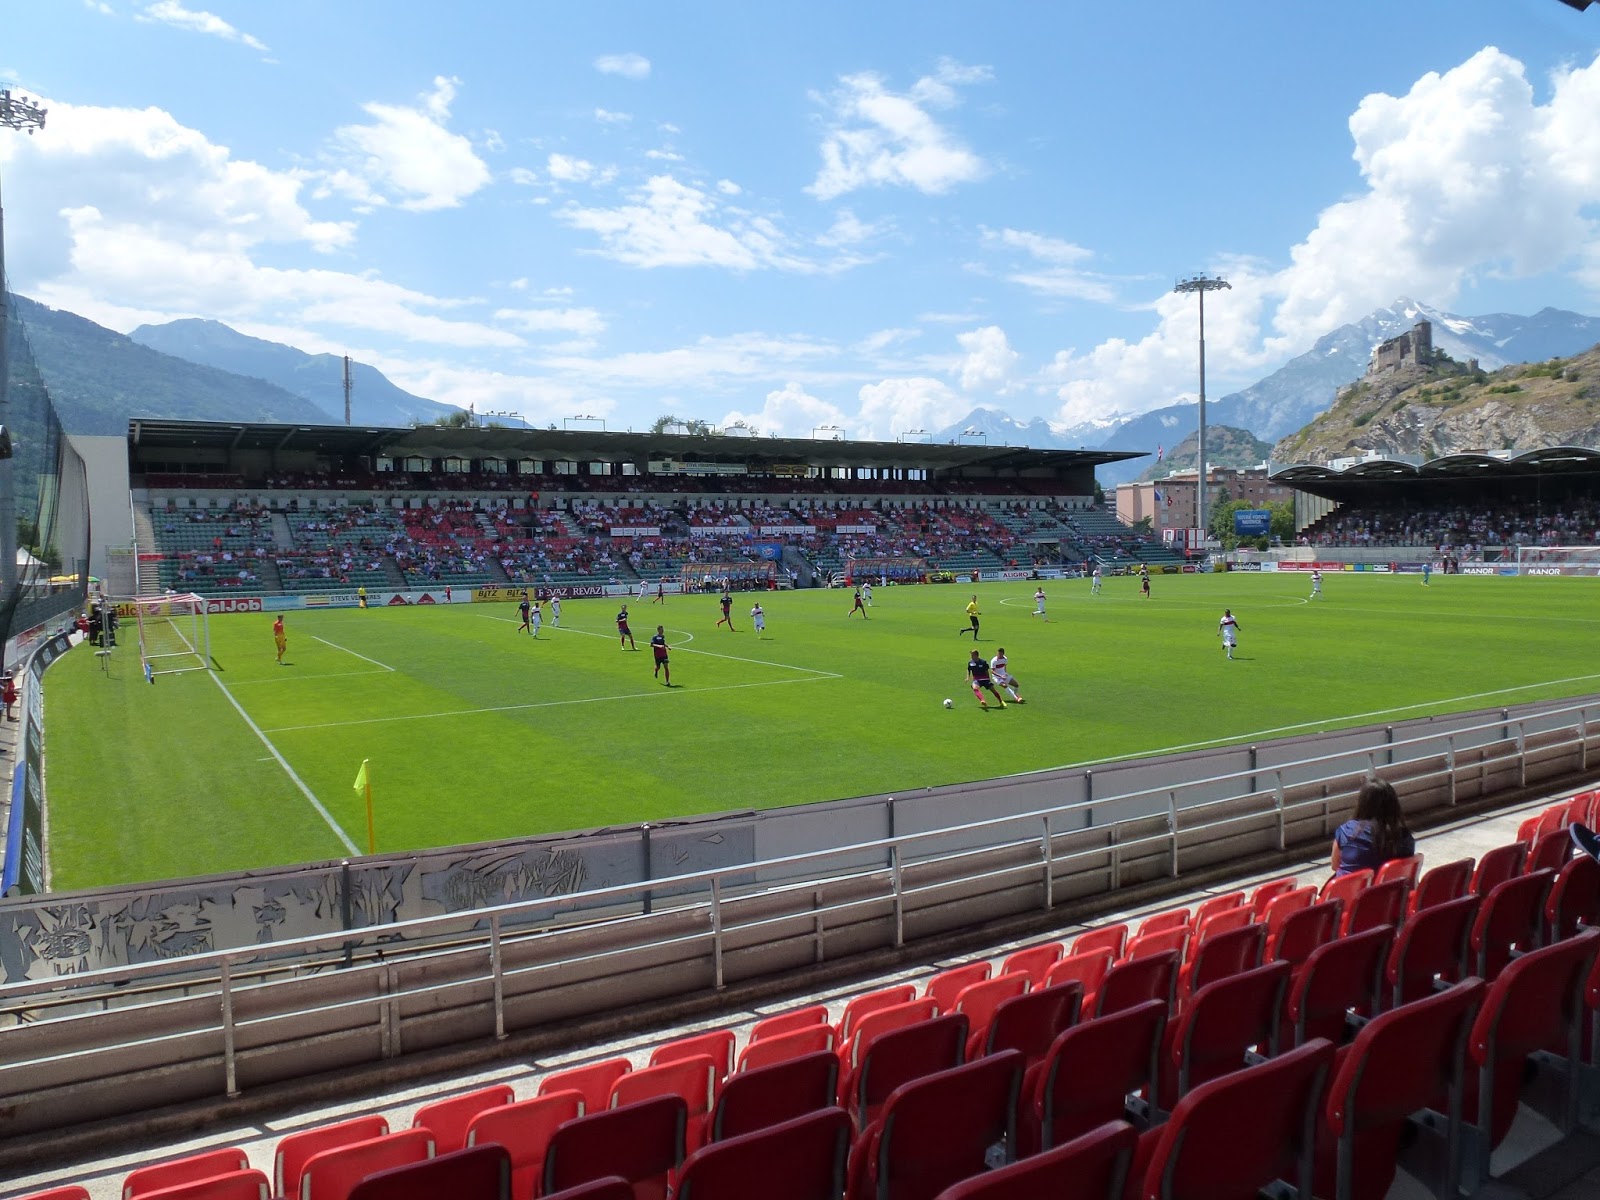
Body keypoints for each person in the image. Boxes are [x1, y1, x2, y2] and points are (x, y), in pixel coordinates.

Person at [1331, 778, 1415, 876]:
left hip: (1353, 890)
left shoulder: (1347, 831)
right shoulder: (1405, 837)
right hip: (1390, 890)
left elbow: (1335, 865)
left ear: (1362, 803)